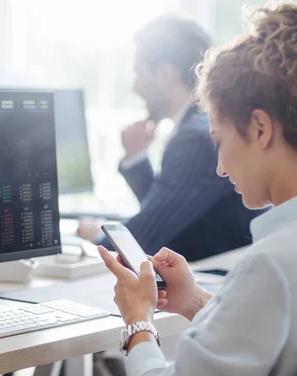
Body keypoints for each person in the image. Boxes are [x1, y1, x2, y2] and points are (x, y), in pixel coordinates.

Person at [16, 3, 297, 376]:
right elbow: (278, 336)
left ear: (260, 129)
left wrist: (138, 323)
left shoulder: (271, 267)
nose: (221, 169)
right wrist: (194, 300)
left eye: (220, 142)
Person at [77, 14, 265, 262]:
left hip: (213, 274)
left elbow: (147, 236)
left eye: (139, 73)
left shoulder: (196, 137)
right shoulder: (199, 125)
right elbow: (167, 212)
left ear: (165, 74)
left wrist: (97, 238)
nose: (135, 87)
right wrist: (136, 158)